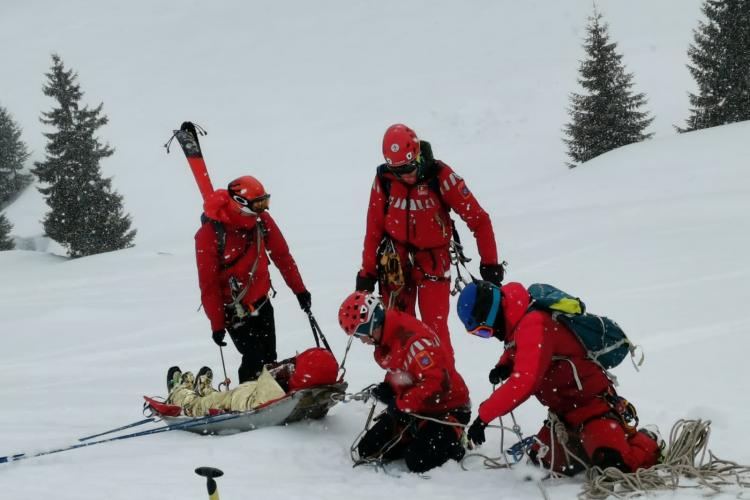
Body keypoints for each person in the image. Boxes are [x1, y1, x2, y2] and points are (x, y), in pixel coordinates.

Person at [456, 281, 661, 475]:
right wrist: (505, 365)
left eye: (484, 331)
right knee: (542, 465)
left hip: (592, 408)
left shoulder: (534, 323)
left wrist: (483, 417)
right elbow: (517, 346)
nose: (491, 335)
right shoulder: (519, 319)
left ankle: (651, 439)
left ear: (492, 313)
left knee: (613, 466)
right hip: (564, 416)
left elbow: (524, 382)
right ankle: (589, 445)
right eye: (481, 334)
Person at [355, 124, 502, 358]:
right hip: (394, 261)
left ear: (417, 155)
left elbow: (479, 220)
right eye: (398, 170)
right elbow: (374, 230)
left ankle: (445, 378)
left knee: (434, 330)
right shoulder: (384, 180)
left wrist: (490, 264)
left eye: (409, 167)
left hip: (433, 260)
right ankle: (402, 378)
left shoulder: (441, 176)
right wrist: (367, 274)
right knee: (396, 330)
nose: (405, 175)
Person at [337, 291, 471, 473]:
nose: (361, 341)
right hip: (417, 408)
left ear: (372, 326)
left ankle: (456, 439)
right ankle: (419, 433)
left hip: (448, 407)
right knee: (368, 450)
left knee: (417, 461)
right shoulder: (388, 336)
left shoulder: (416, 342)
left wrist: (402, 404)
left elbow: (437, 382)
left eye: (359, 334)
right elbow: (403, 370)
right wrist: (390, 387)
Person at [195, 175, 311, 383]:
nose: (262, 209)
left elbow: (282, 256)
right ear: (239, 203)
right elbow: (209, 284)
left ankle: (269, 395)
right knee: (254, 358)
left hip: (262, 303)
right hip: (234, 311)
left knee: (269, 358)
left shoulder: (261, 221)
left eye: (264, 202)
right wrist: (217, 324)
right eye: (258, 204)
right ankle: (248, 397)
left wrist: (299, 290)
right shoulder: (209, 234)